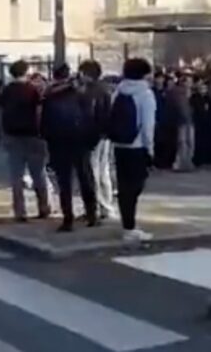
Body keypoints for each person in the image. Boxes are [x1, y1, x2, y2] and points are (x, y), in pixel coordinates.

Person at [40, 63, 97, 232]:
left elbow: (45, 123)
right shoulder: (80, 94)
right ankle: (91, 214)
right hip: (80, 141)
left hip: (59, 143)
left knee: (64, 183)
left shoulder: (49, 96)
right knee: (86, 178)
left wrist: (48, 140)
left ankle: (68, 218)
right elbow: (89, 118)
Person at [109, 57, 156, 243]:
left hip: (120, 145)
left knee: (124, 186)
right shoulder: (145, 94)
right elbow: (148, 125)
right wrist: (150, 149)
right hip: (137, 146)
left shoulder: (118, 92)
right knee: (136, 186)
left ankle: (127, 224)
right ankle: (130, 227)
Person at [0, 60, 51, 222]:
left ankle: (20, 212)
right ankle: (44, 207)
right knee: (39, 174)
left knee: (16, 176)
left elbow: (0, 112)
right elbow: (39, 112)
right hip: (33, 136)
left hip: (13, 136)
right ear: (26, 72)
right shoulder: (32, 90)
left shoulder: (6, 91)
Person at [79, 59, 115, 221]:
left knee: (93, 172)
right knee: (104, 171)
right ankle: (106, 206)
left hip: (93, 136)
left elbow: (88, 115)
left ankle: (97, 206)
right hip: (105, 135)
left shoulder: (90, 92)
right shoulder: (106, 89)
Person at [191, 79, 211, 166]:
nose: (203, 90)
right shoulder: (195, 98)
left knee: (206, 141)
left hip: (207, 123)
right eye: (201, 88)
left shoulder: (207, 99)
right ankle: (198, 159)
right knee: (198, 141)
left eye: (204, 88)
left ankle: (207, 158)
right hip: (198, 122)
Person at [172, 73, 194, 172]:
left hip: (188, 121)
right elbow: (181, 108)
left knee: (188, 142)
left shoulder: (188, 93)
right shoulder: (180, 93)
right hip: (183, 121)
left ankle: (186, 163)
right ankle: (181, 163)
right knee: (183, 143)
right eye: (189, 82)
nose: (190, 84)